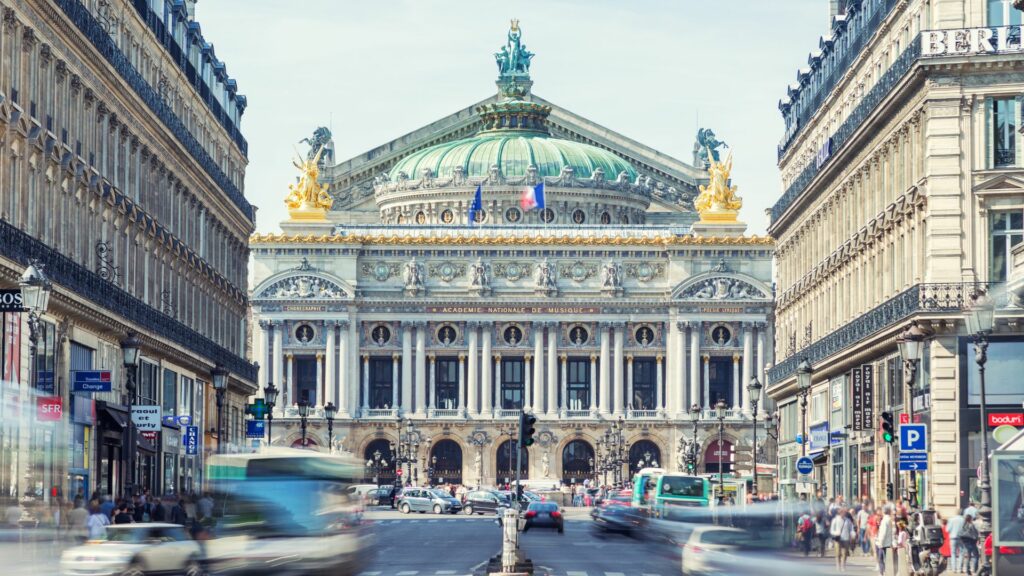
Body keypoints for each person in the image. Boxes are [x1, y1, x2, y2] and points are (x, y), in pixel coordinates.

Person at [876, 506, 895, 576]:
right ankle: (887, 572)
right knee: (887, 559)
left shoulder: (885, 520)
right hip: (888, 543)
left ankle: (882, 573)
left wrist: (880, 542)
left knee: (880, 559)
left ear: (884, 512)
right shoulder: (889, 519)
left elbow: (883, 533)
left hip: (883, 543)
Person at [947, 508, 964, 574]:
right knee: (961, 553)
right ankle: (960, 569)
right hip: (961, 538)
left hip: (953, 538)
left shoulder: (951, 519)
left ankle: (954, 569)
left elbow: (947, 530)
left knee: (953, 553)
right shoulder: (963, 520)